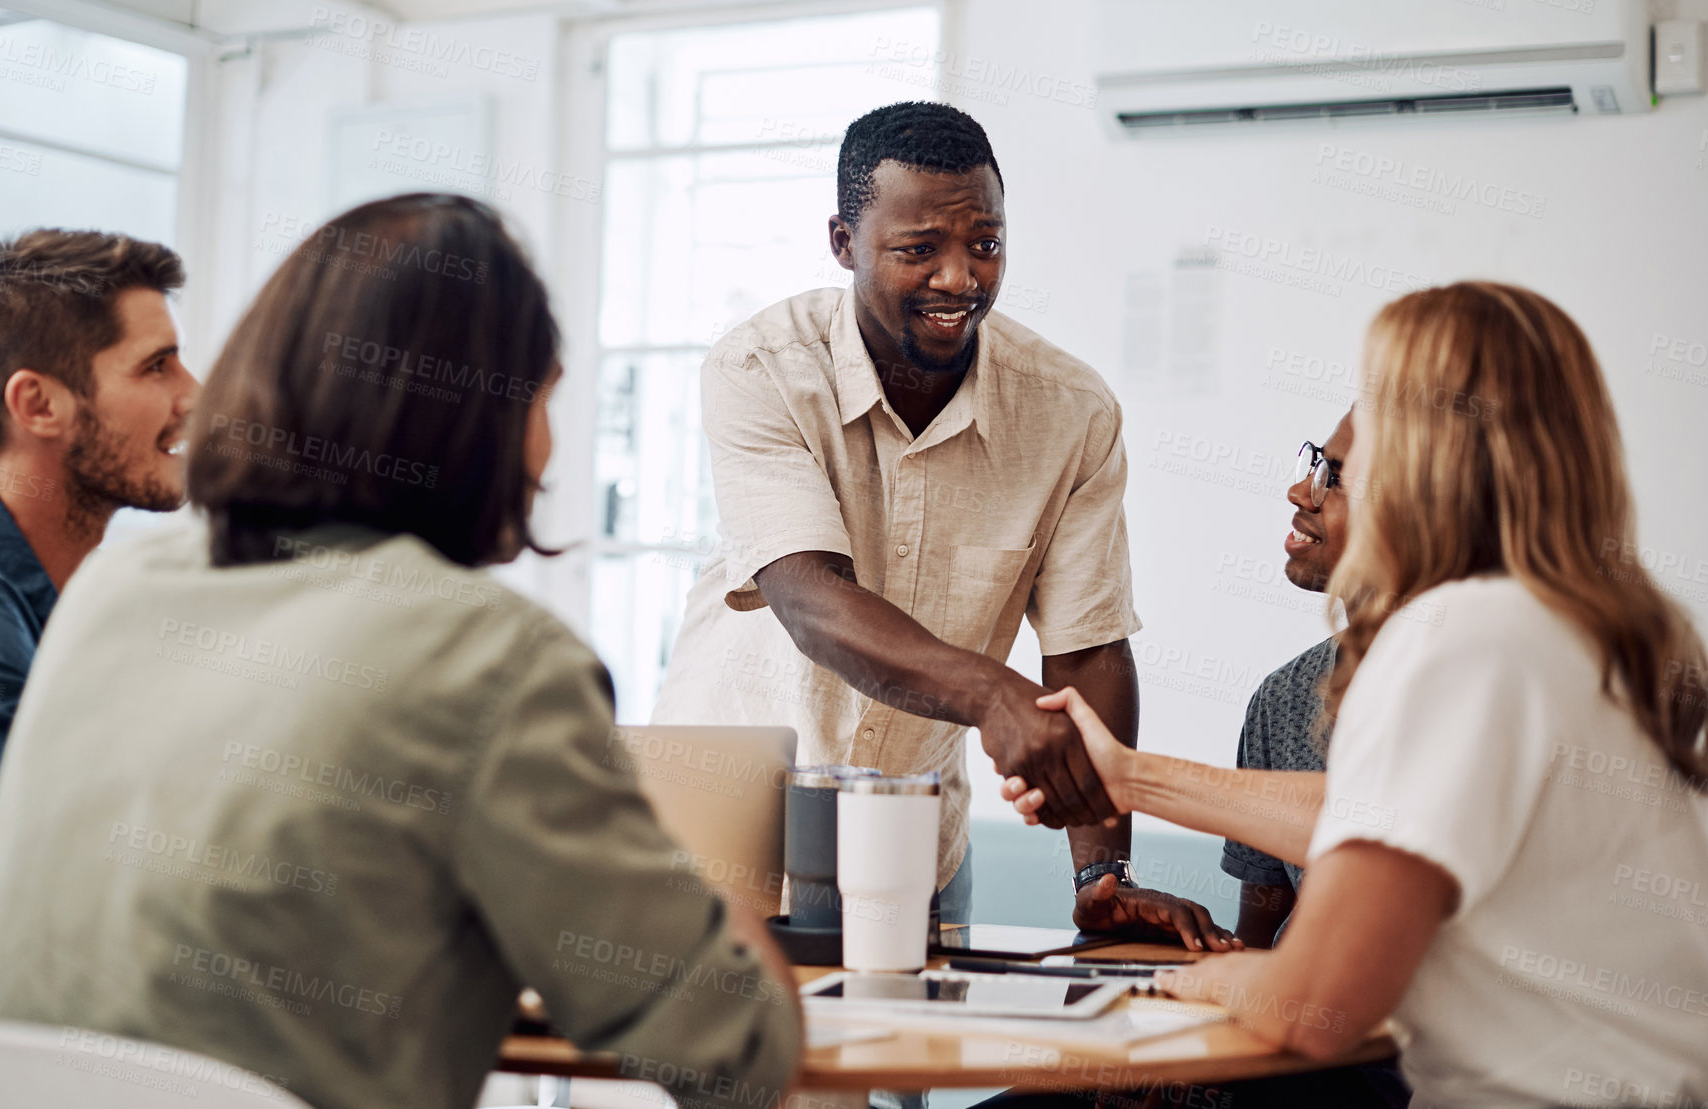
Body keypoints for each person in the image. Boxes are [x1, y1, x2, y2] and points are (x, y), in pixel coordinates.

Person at [0, 195, 802, 1109]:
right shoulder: (490, 656)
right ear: (487, 414)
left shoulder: (112, 595)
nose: (551, 446)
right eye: (545, 397)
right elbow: (731, 1048)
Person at [1008, 282, 1708, 1107]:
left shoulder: (1461, 637)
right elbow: (1384, 812)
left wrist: (1178, 989)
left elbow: (1315, 1006)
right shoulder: (1585, 628)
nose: (1306, 485)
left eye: (1339, 466)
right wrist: (1130, 775)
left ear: (1423, 467)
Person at [652, 100, 1231, 948]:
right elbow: (809, 596)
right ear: (843, 242)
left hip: (907, 820)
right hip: (723, 799)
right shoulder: (761, 366)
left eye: (984, 245)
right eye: (918, 248)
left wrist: (1100, 873)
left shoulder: (1070, 412)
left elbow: (1090, 647)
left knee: (896, 1063)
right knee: (718, 1068)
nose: (960, 278)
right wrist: (995, 691)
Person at [0, 230, 196, 1012]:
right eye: (156, 365)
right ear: (37, 404)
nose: (193, 393)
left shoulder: (86, 610)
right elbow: (57, 882)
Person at [1219, 410, 1354, 950]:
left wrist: (1129, 778)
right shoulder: (1283, 698)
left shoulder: (1486, 690)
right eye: (1313, 463)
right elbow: (1258, 942)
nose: (1300, 490)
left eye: (1334, 478)